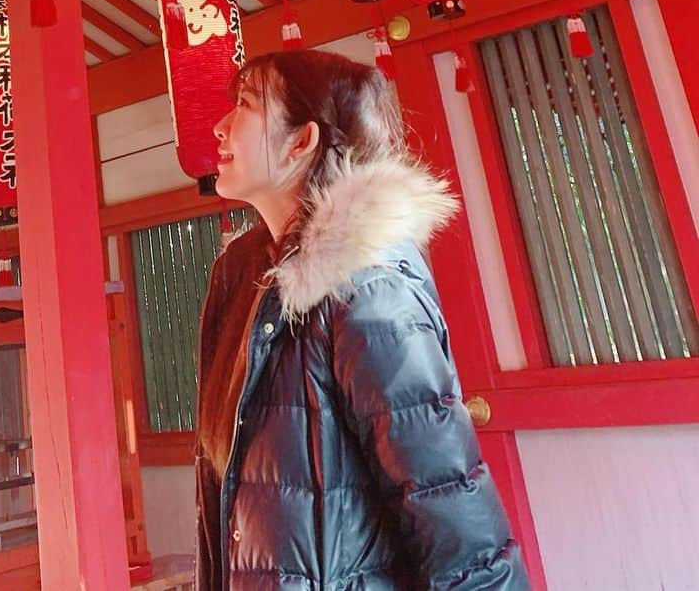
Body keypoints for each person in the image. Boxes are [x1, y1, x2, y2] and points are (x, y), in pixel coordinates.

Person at [195, 48, 530, 590]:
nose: (220, 125)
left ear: (301, 141)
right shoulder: (247, 283)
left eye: (246, 105)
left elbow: (449, 506)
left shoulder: (369, 287)